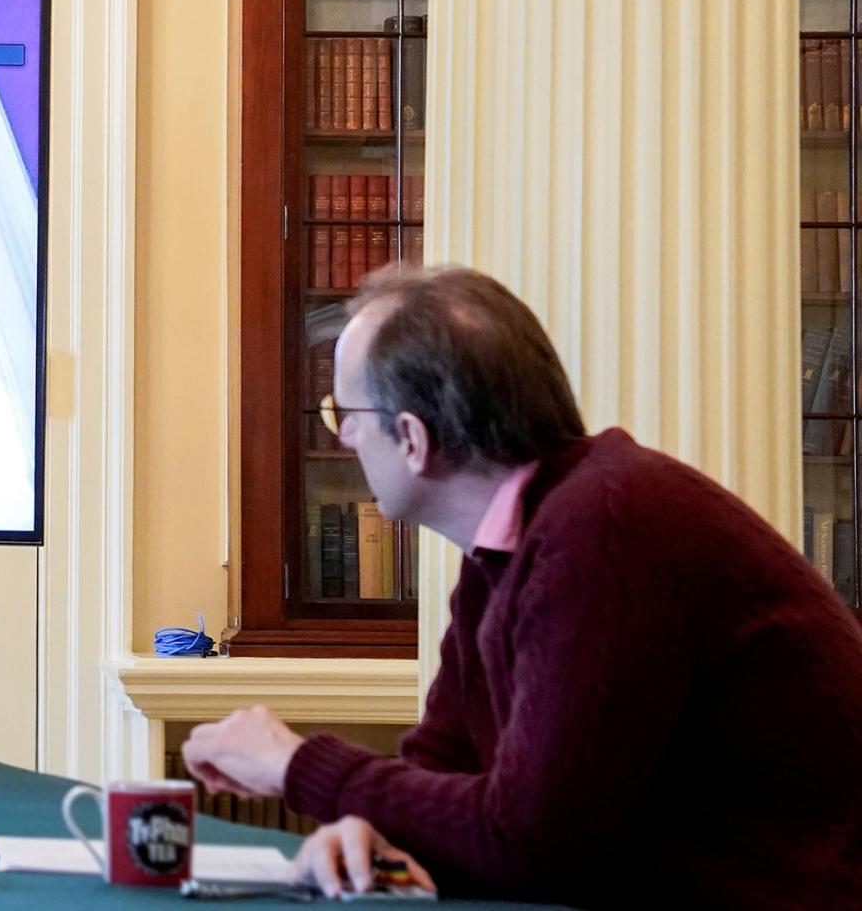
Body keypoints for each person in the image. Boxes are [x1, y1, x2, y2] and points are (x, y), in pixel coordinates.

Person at [182, 265, 862, 908]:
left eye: (344, 410)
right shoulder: (510, 548)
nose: (347, 434)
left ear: (412, 438)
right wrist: (374, 831)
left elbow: (535, 839)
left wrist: (300, 764)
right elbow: (445, 771)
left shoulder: (605, 527)